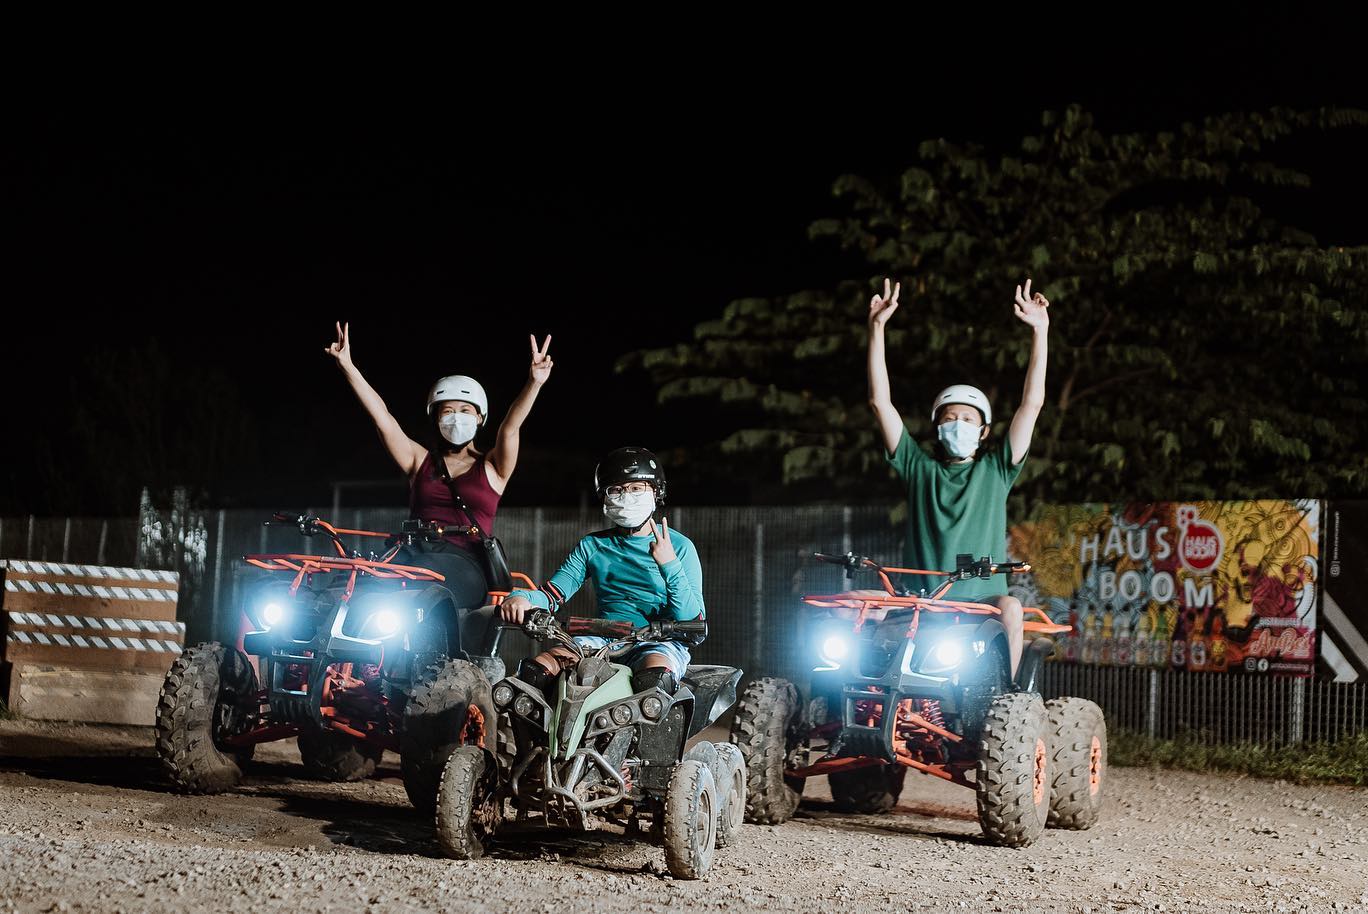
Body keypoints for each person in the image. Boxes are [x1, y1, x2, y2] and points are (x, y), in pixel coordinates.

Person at [866, 277, 1049, 678]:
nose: (958, 425)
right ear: (936, 428)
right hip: (922, 598)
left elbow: (1032, 404)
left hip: (981, 598)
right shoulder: (918, 467)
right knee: (854, 606)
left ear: (984, 432)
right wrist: (877, 328)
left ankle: (1008, 698)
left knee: (1013, 607)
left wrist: (1041, 330)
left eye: (968, 419)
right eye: (950, 418)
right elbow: (881, 402)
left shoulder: (996, 470)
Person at [325, 322, 553, 598]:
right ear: (436, 418)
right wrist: (348, 366)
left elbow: (510, 427)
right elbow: (383, 419)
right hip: (410, 553)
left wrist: (534, 382)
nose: (456, 417)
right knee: (352, 580)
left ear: (480, 417)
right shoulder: (420, 461)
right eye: (448, 411)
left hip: (465, 564)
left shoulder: (493, 467)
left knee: (419, 578)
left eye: (465, 410)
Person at [498, 447, 704, 694]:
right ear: (604, 497)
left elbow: (693, 620)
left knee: (654, 681)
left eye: (636, 488)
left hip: (659, 644)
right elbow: (551, 595)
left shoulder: (680, 547)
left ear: (657, 492)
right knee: (535, 673)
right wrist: (519, 599)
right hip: (602, 640)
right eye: (616, 489)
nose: (626, 496)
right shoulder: (593, 545)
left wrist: (669, 564)